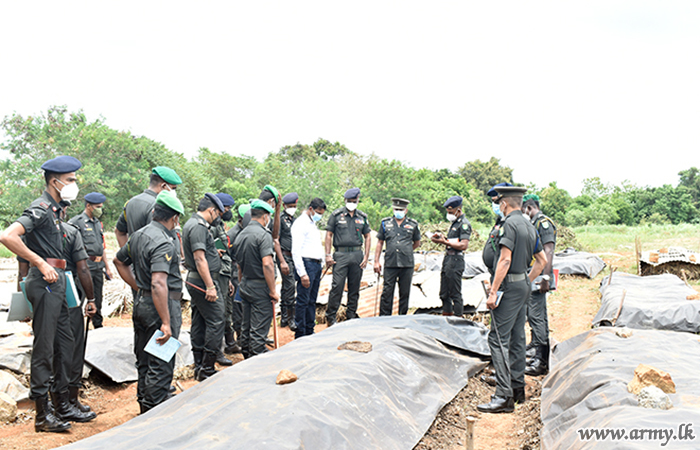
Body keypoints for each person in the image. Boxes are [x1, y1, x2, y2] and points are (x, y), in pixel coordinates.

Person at [0, 155, 92, 432]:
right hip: (46, 281)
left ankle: (62, 403)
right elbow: (8, 236)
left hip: (60, 282)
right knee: (45, 348)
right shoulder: (39, 209)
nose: (75, 185)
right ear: (55, 182)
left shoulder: (56, 212)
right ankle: (42, 414)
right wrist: (39, 262)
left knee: (64, 345)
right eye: (71, 180)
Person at [114, 191, 185, 414]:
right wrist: (166, 321)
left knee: (144, 359)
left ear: (154, 212)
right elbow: (158, 283)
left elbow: (118, 261)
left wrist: (137, 287)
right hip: (162, 307)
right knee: (161, 362)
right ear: (174, 218)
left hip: (142, 304)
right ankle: (154, 413)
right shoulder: (165, 242)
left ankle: (144, 407)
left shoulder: (138, 235)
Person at [477, 186, 547, 414]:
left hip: (508, 287)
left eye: (498, 203)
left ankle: (503, 395)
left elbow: (504, 260)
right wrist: (526, 280)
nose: (498, 207)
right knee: (517, 337)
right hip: (523, 286)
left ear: (504, 204)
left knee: (497, 338)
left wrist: (493, 291)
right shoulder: (529, 224)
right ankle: (517, 388)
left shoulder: (508, 225)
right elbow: (541, 260)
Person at [182, 193, 226, 380]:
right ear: (211, 210)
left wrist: (213, 252)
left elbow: (199, 254)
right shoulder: (199, 227)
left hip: (195, 279)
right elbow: (199, 259)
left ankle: (199, 365)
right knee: (217, 320)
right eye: (217, 213)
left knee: (200, 320)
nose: (218, 218)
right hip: (202, 281)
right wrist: (210, 286)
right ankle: (207, 368)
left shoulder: (190, 224)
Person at [58, 216, 97, 419]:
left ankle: (54, 402)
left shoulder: (31, 232)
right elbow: (82, 267)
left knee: (48, 346)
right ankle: (69, 400)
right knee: (73, 345)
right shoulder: (71, 232)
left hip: (41, 290)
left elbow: (23, 269)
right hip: (68, 291)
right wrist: (91, 298)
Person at [234, 200, 279, 357]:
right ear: (266, 217)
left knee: (246, 326)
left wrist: (242, 283)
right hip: (260, 287)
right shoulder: (263, 235)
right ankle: (257, 360)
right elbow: (267, 264)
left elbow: (239, 265)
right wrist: (273, 291)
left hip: (246, 284)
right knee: (259, 329)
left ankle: (247, 357)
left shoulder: (241, 235)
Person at [324, 188, 372, 325]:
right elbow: (328, 234)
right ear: (345, 201)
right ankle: (331, 316)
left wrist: (366, 256)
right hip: (341, 254)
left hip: (357, 254)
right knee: (337, 286)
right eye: (349, 201)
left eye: (354, 201)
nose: (352, 203)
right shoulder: (336, 215)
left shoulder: (362, 217)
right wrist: (327, 255)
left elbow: (368, 236)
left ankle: (350, 314)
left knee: (354, 287)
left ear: (357, 201)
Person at [522, 194, 557, 376]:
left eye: (523, 210)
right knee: (534, 313)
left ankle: (540, 361)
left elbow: (548, 250)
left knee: (537, 315)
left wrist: (545, 277)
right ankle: (535, 347)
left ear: (529, 208)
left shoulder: (543, 223)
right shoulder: (533, 223)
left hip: (540, 275)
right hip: (534, 273)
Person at [69, 192, 113, 328]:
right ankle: (75, 328)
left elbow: (101, 247)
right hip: (84, 267)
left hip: (98, 267)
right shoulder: (76, 222)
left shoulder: (98, 224)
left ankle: (98, 326)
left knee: (97, 300)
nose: (100, 209)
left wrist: (107, 267)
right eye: (98, 206)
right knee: (80, 299)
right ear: (89, 206)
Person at [374, 198, 421, 316]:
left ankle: (402, 317)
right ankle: (385, 318)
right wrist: (376, 261)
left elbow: (416, 242)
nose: (398, 211)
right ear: (393, 209)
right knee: (387, 292)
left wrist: (406, 251)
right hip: (390, 263)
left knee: (404, 292)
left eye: (401, 209)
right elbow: (380, 242)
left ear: (406, 211)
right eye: (396, 209)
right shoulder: (385, 223)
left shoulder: (413, 224)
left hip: (407, 264)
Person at [115, 166, 182, 247]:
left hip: (138, 257)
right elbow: (161, 239)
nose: (174, 192)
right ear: (164, 186)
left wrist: (128, 256)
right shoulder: (160, 206)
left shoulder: (130, 203)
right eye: (173, 188)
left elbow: (119, 232)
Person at [291, 198, 327, 338]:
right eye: (318, 212)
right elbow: (296, 250)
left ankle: (309, 329)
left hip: (315, 265)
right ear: (311, 209)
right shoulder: (301, 223)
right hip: (307, 265)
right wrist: (302, 273)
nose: (319, 215)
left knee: (312, 300)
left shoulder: (312, 223)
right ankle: (300, 332)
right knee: (303, 300)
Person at [431, 196, 471, 316]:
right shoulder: (454, 223)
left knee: (455, 294)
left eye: (451, 212)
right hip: (448, 259)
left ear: (458, 210)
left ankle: (458, 320)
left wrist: (445, 242)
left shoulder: (464, 224)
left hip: (456, 260)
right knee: (444, 293)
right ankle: (447, 317)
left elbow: (463, 245)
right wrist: (441, 238)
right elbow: (453, 240)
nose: (449, 215)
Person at [214, 193, 240, 357]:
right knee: (218, 313)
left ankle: (230, 343)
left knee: (227, 310)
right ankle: (215, 353)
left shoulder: (220, 225)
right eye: (227, 208)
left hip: (224, 274)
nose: (229, 211)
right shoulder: (208, 226)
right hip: (216, 275)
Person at [226, 204, 251, 351]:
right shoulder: (232, 234)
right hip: (235, 273)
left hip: (245, 271)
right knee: (237, 306)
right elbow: (227, 257)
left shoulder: (246, 232)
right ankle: (240, 336)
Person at [278, 192, 298, 331]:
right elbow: (276, 241)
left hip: (294, 256)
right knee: (290, 286)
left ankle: (284, 316)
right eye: (290, 206)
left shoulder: (295, 220)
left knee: (287, 285)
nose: (292, 208)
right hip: (284, 256)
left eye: (294, 206)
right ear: (284, 206)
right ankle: (291, 318)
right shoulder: (280, 219)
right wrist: (282, 261)